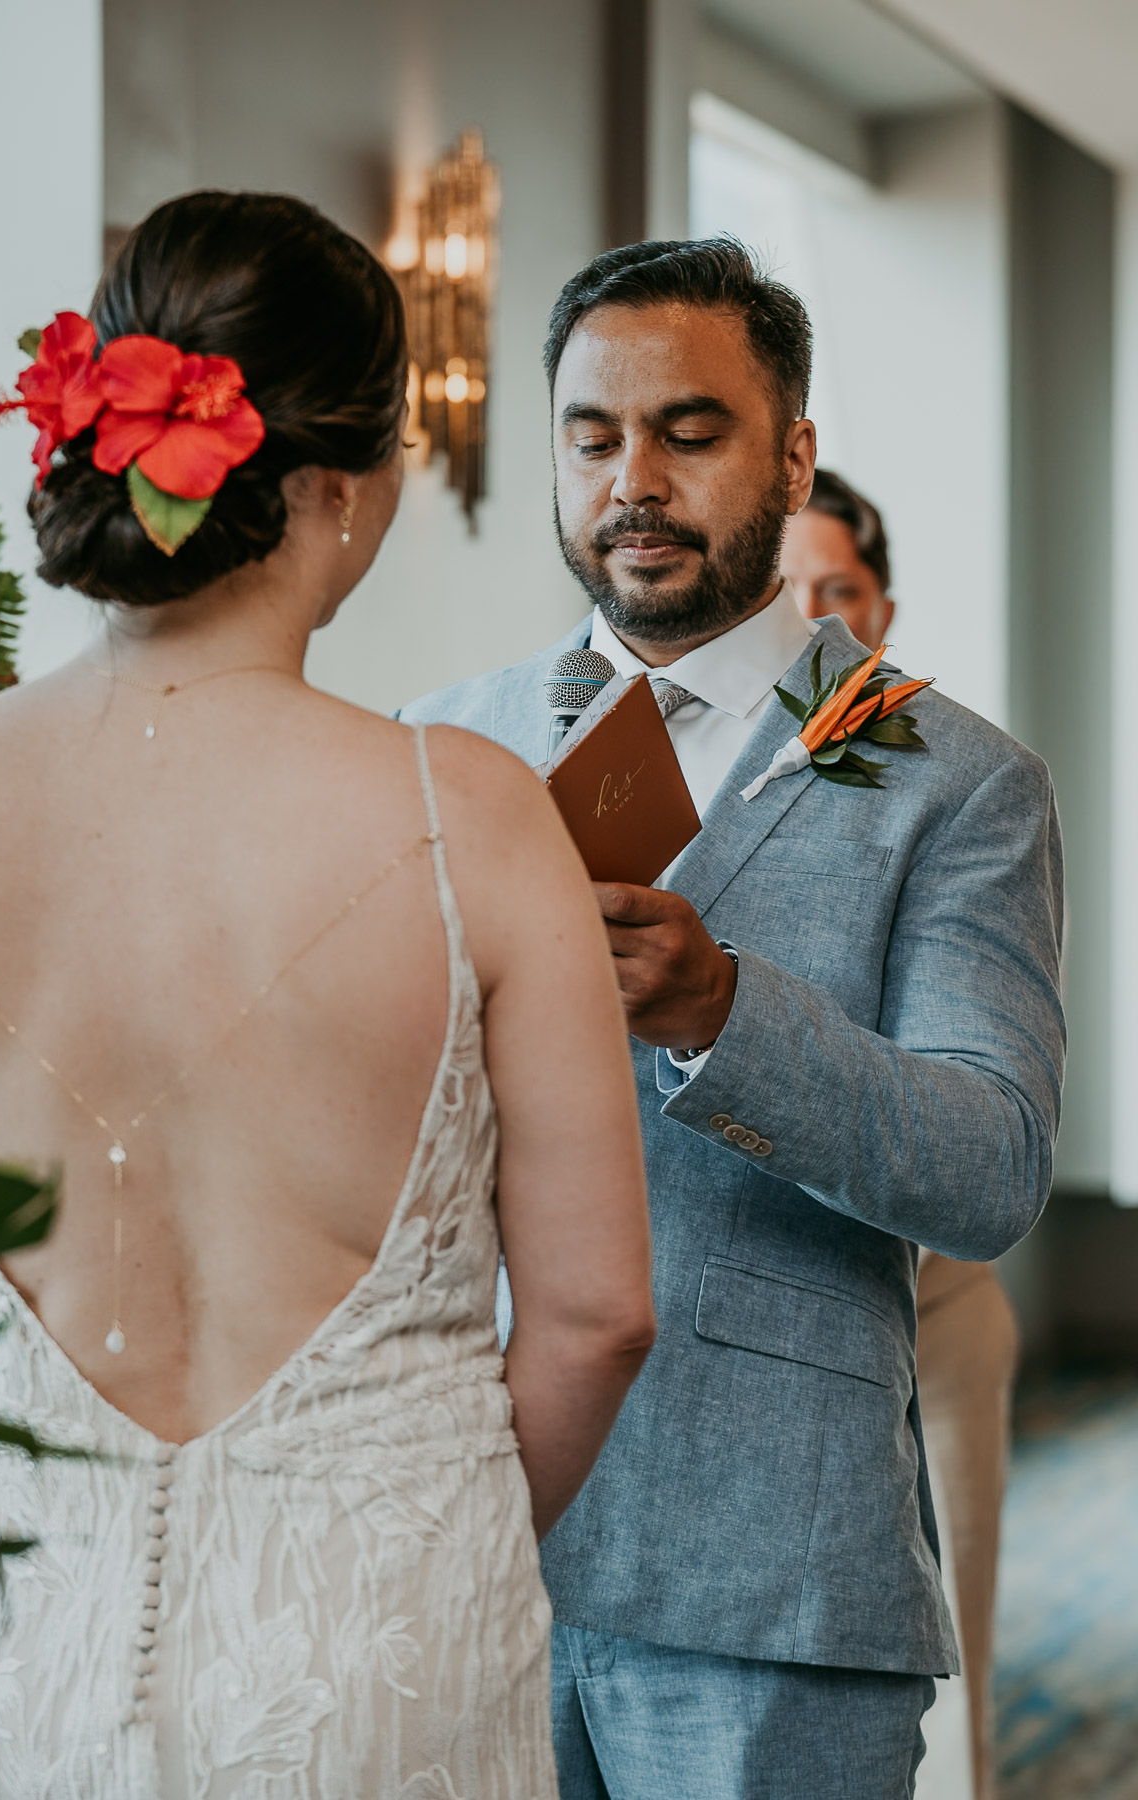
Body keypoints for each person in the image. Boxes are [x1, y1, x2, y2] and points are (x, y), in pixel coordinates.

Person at [0, 191, 656, 1798]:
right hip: (383, 1647)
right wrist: (424, 1513)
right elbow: (601, 1315)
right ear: (343, 484)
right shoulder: (469, 813)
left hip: (8, 1645)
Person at [402, 238, 1065, 1800]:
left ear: (793, 452)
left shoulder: (959, 782)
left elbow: (993, 1165)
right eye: (591, 437)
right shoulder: (438, 745)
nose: (633, 478)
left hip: (772, 1578)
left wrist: (720, 1009)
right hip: (457, 1542)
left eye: (688, 432)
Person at [783, 469, 1022, 1800]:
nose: (815, 626)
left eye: (840, 597)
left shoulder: (959, 789)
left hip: (938, 1308)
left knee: (957, 1673)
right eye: (790, 599)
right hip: (785, 1313)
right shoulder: (714, 782)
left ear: (881, 615)